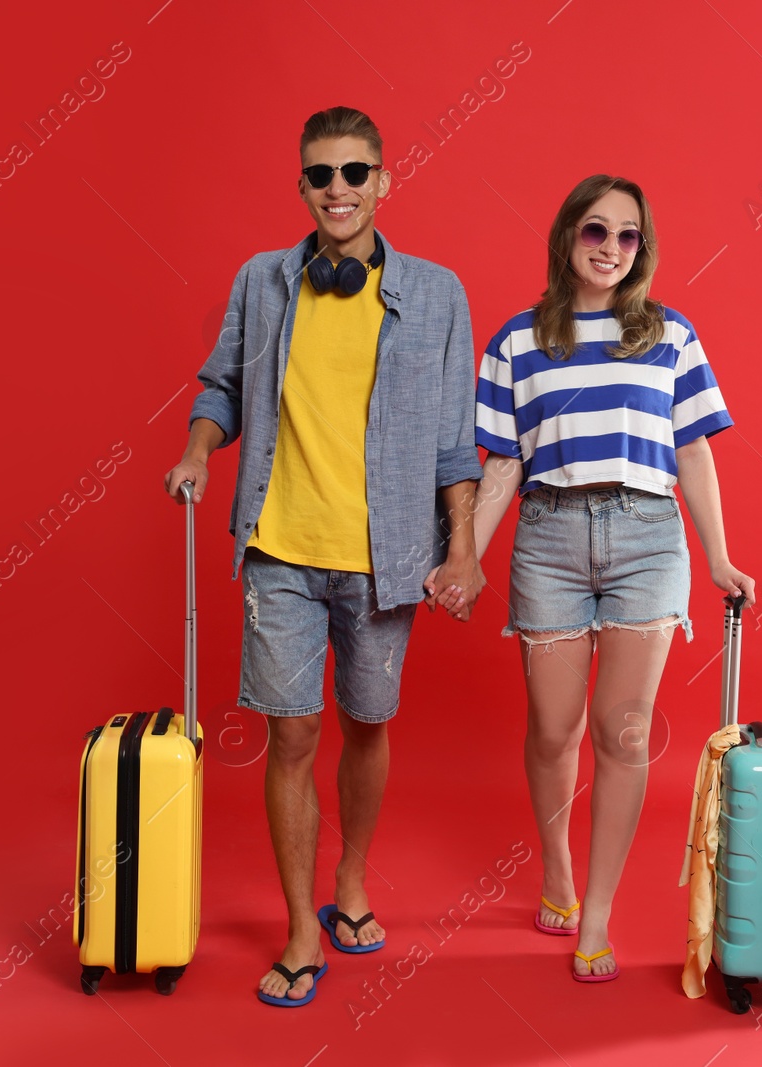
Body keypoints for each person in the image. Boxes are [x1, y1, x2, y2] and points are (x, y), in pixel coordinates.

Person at [165, 106, 484, 1007]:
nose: (337, 188)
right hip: (280, 546)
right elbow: (221, 384)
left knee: (369, 721)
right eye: (320, 175)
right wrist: (197, 450)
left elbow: (456, 443)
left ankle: (353, 877)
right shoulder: (262, 283)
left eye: (354, 172)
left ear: (384, 180)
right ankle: (304, 924)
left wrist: (461, 547)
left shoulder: (438, 294)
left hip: (387, 554)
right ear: (301, 186)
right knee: (291, 732)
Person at [454, 174, 756, 982]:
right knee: (554, 729)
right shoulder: (517, 340)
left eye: (628, 236)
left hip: (647, 538)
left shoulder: (670, 335)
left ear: (642, 249)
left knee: (623, 734)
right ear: (567, 239)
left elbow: (693, 449)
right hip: (549, 535)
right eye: (596, 230)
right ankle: (554, 864)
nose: (611, 249)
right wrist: (464, 555)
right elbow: (503, 463)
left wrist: (719, 555)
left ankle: (595, 914)